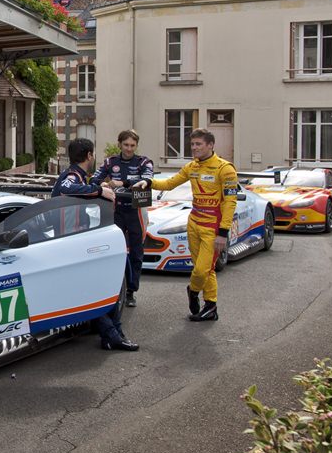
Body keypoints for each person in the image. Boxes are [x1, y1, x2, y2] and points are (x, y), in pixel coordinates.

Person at [53, 138, 137, 352]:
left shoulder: (79, 175)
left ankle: (113, 333)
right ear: (89, 156)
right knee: (93, 290)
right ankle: (112, 335)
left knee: (99, 287)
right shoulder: (72, 175)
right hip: (69, 244)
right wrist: (99, 191)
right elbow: (66, 188)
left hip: (75, 243)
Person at [151, 128, 238, 322]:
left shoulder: (225, 169)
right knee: (207, 270)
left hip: (213, 228)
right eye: (192, 144)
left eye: (199, 144)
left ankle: (193, 290)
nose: (194, 148)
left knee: (201, 271)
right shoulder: (191, 167)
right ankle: (211, 307)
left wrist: (223, 232)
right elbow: (169, 184)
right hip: (193, 223)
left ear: (210, 145)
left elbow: (230, 202)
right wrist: (147, 182)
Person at [91, 129, 154, 308]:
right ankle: (113, 289)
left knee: (136, 253)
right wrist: (102, 183)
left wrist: (124, 183)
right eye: (125, 145)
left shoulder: (143, 161)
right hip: (115, 211)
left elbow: (148, 179)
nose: (129, 149)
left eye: (132, 145)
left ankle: (131, 291)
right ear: (119, 144)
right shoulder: (111, 161)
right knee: (113, 251)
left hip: (136, 212)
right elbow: (94, 179)